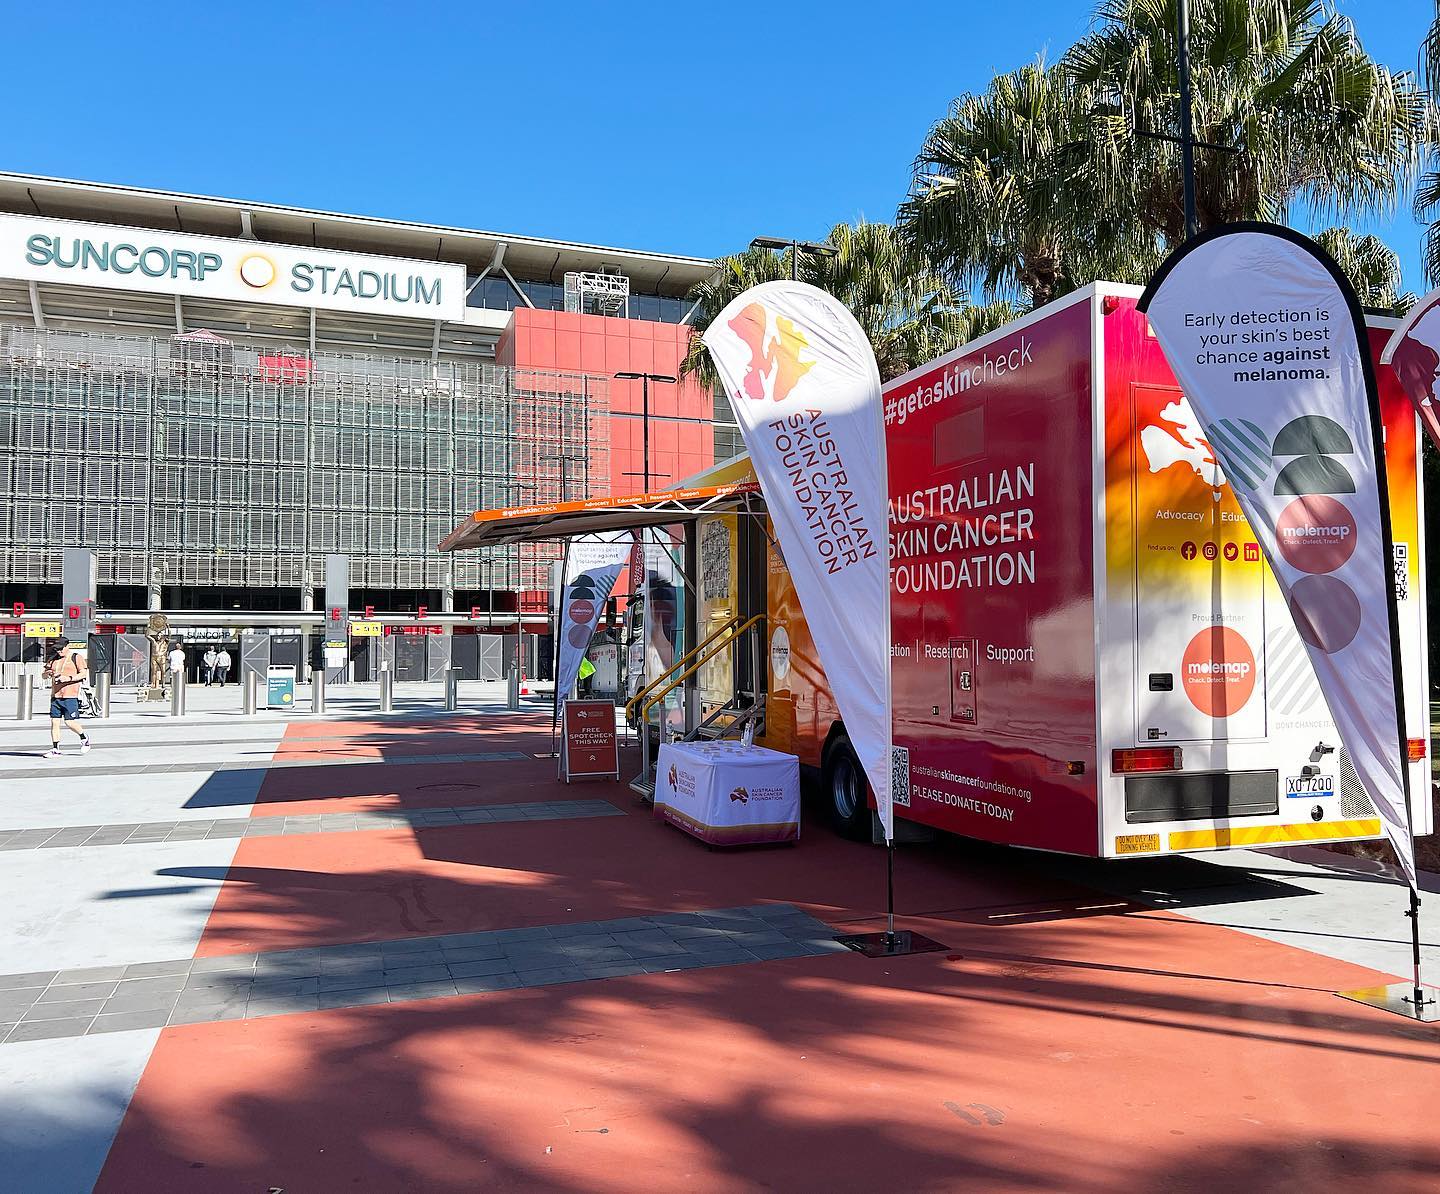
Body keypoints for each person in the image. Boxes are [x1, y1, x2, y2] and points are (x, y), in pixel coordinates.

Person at [43, 636, 91, 759]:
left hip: (70, 695)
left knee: (69, 722)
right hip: (56, 695)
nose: (59, 651)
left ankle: (84, 738)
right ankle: (55, 749)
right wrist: (47, 674)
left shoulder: (76, 657)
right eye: (56, 649)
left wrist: (68, 678)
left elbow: (83, 674)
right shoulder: (53, 659)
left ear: (67, 646)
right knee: (54, 722)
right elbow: (43, 675)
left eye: (61, 649)